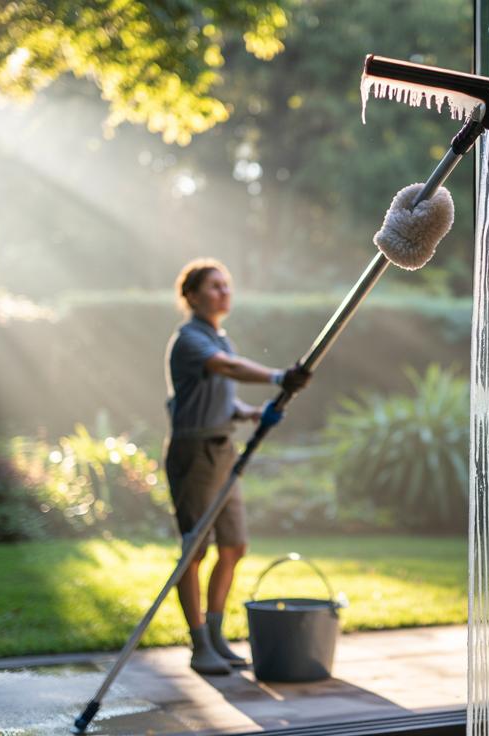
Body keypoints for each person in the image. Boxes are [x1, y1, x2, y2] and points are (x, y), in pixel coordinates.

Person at [164, 258, 310, 675]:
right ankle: (198, 646)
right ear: (190, 296)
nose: (223, 292)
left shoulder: (219, 338)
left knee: (234, 546)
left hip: (224, 449)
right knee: (194, 550)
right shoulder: (190, 339)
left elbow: (222, 396)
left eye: (226, 285)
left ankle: (216, 635)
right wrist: (279, 376)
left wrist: (249, 413)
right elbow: (226, 369)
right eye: (213, 285)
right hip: (194, 453)